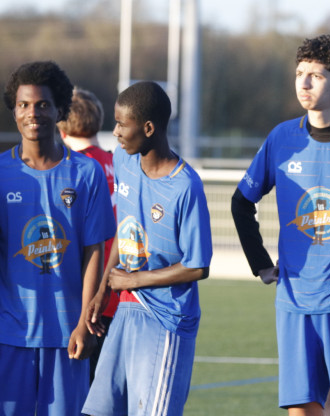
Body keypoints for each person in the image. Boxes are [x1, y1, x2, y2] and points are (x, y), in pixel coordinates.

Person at [231, 34, 330, 415]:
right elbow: (241, 202)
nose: (303, 83)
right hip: (294, 300)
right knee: (301, 409)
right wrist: (260, 264)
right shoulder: (282, 137)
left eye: (315, 76)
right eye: (299, 73)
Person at [82, 81, 212, 416]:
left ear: (149, 128)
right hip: (125, 310)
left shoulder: (186, 186)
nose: (115, 132)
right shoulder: (123, 162)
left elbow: (198, 266)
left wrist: (133, 280)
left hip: (166, 319)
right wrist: (104, 290)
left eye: (122, 124)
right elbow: (124, 230)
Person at [0, 61, 116, 415]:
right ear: (13, 110)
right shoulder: (2, 173)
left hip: (69, 334)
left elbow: (94, 252)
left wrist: (85, 322)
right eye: (23, 104)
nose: (32, 113)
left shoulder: (86, 172)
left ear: (60, 110)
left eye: (43, 104)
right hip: (10, 334)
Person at [57, 87, 119, 382]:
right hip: (122, 292)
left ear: (61, 128)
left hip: (87, 297)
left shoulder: (73, 170)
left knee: (80, 390)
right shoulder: (118, 162)